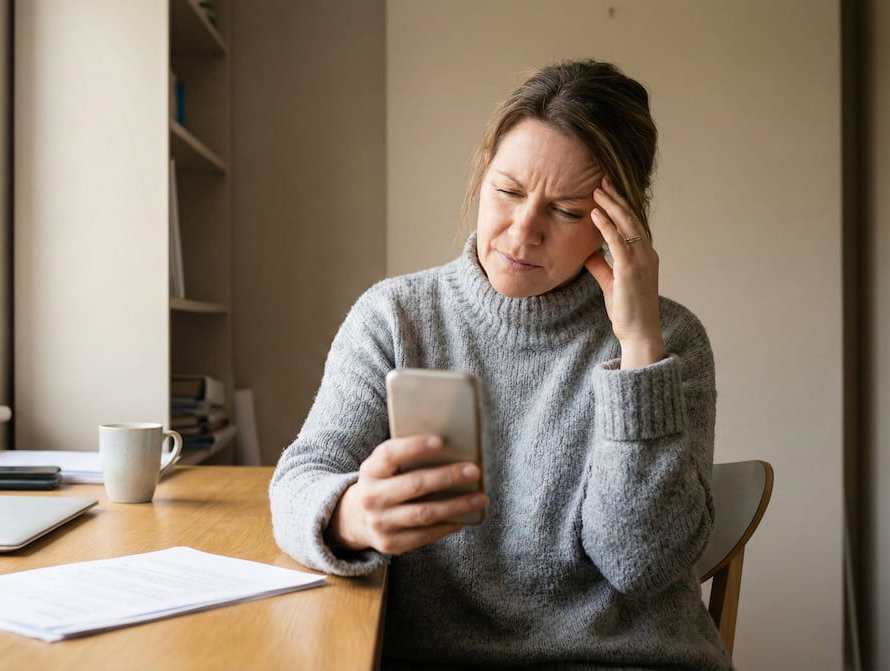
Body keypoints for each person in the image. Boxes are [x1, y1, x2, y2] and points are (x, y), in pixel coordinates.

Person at [269, 60, 731, 670]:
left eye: (567, 212)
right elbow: (301, 479)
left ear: (619, 225)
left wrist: (639, 349)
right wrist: (351, 516)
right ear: (482, 177)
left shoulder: (671, 338)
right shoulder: (395, 318)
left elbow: (639, 563)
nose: (523, 231)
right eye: (507, 192)